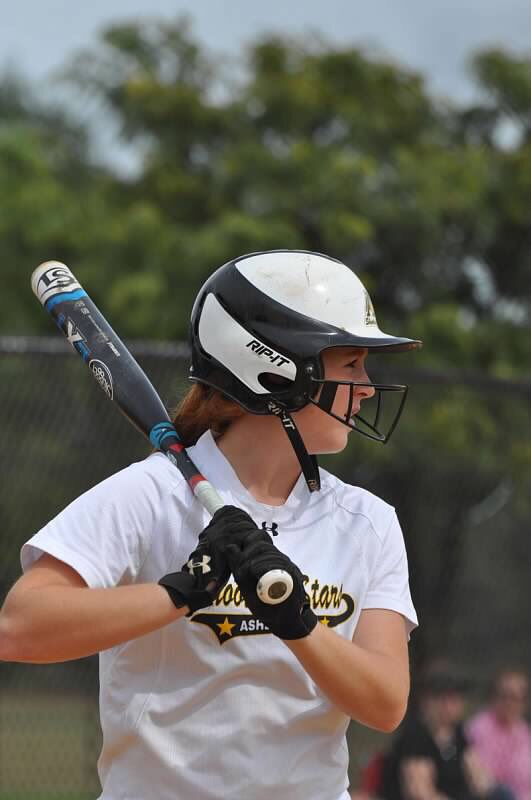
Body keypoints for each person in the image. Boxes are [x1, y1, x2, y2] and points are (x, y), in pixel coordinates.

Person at [0, 250, 421, 800]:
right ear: (275, 368)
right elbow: (20, 626)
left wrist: (296, 622)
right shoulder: (152, 495)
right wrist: (184, 590)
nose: (366, 387)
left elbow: (385, 703)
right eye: (351, 365)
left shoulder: (367, 523)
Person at [381, 663, 514, 800]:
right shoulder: (416, 736)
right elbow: (419, 792)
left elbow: (479, 776)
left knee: (502, 793)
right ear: (427, 700)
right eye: (443, 697)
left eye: (455, 697)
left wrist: (491, 789)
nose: (450, 704)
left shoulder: (457, 733)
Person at [466, 669, 531, 800]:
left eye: (518, 697)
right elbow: (485, 781)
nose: (511, 703)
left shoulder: (524, 730)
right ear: (494, 696)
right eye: (506, 696)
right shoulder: (479, 728)